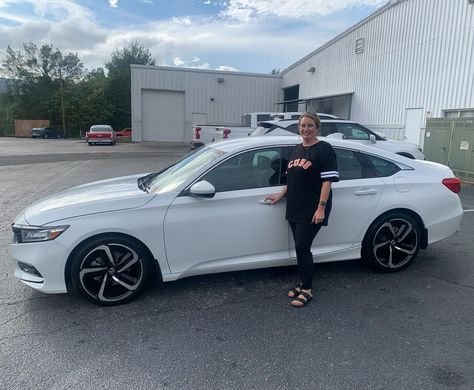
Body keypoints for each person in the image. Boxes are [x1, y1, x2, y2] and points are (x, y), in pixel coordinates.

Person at [266, 112, 339, 308]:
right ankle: (302, 281)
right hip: (295, 206)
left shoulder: (324, 149)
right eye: (303, 126)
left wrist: (321, 209)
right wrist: (281, 194)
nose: (306, 129)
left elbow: (327, 181)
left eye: (310, 126)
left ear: (317, 128)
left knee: (302, 247)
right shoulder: (297, 149)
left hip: (312, 207)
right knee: (300, 247)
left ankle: (307, 289)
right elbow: (294, 178)